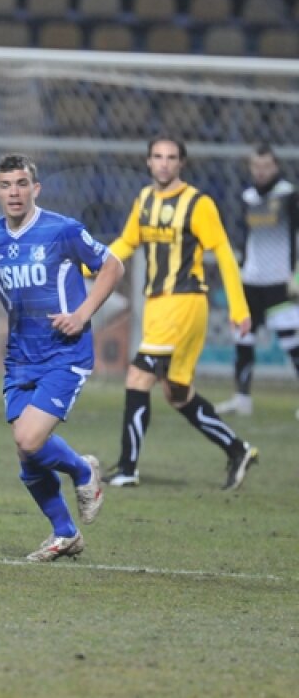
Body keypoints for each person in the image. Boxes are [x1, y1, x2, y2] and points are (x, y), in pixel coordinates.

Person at [0, 154, 124, 562]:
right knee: (27, 453)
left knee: (28, 439)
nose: (14, 192)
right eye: (6, 185)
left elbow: (113, 266)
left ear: (35, 189)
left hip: (65, 353)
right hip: (20, 357)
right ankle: (65, 533)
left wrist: (82, 315)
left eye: (22, 184)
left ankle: (82, 471)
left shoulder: (62, 230)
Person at [106, 135, 258, 490]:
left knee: (137, 377)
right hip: (159, 306)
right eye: (157, 156)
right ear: (147, 162)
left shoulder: (197, 204)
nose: (163, 163)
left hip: (185, 302)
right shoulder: (144, 200)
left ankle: (128, 468)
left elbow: (223, 252)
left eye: (171, 157)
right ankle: (238, 450)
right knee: (177, 394)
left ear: (181, 163)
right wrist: (89, 265)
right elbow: (128, 242)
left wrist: (239, 307)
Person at [214, 144, 299, 420]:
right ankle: (242, 400)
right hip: (250, 280)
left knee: (293, 343)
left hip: (279, 283)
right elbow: (244, 237)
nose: (261, 172)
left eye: (266, 166)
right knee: (243, 340)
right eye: (256, 166)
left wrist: (296, 275)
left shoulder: (289, 195)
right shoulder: (247, 197)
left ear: (275, 167)